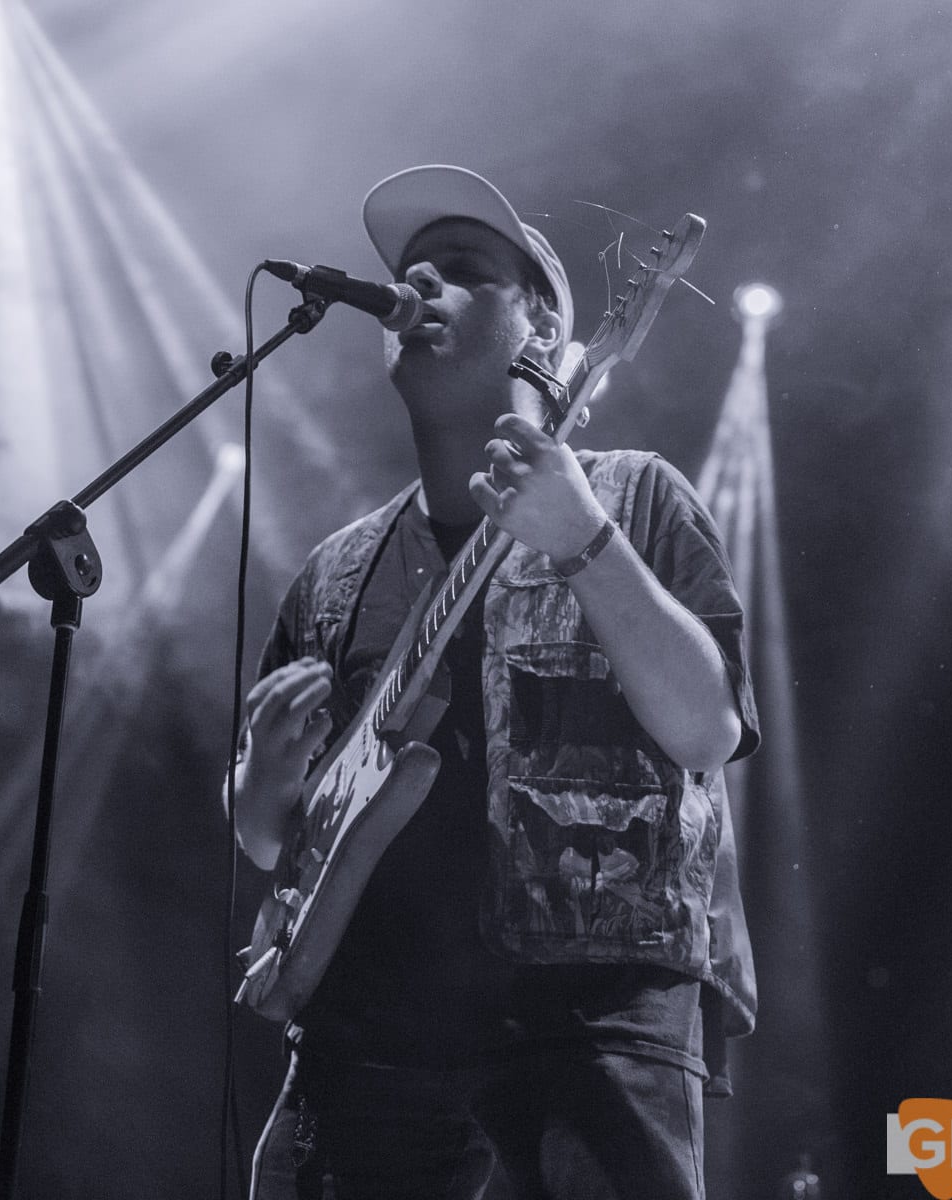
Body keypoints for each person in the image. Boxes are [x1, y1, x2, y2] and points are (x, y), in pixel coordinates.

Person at [232, 164, 760, 1200]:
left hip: (590, 1011)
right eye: (411, 269)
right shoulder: (335, 572)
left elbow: (706, 730)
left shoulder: (637, 497)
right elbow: (277, 834)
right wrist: (256, 795)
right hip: (367, 1030)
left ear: (545, 333)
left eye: (462, 267)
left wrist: (585, 542)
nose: (417, 284)